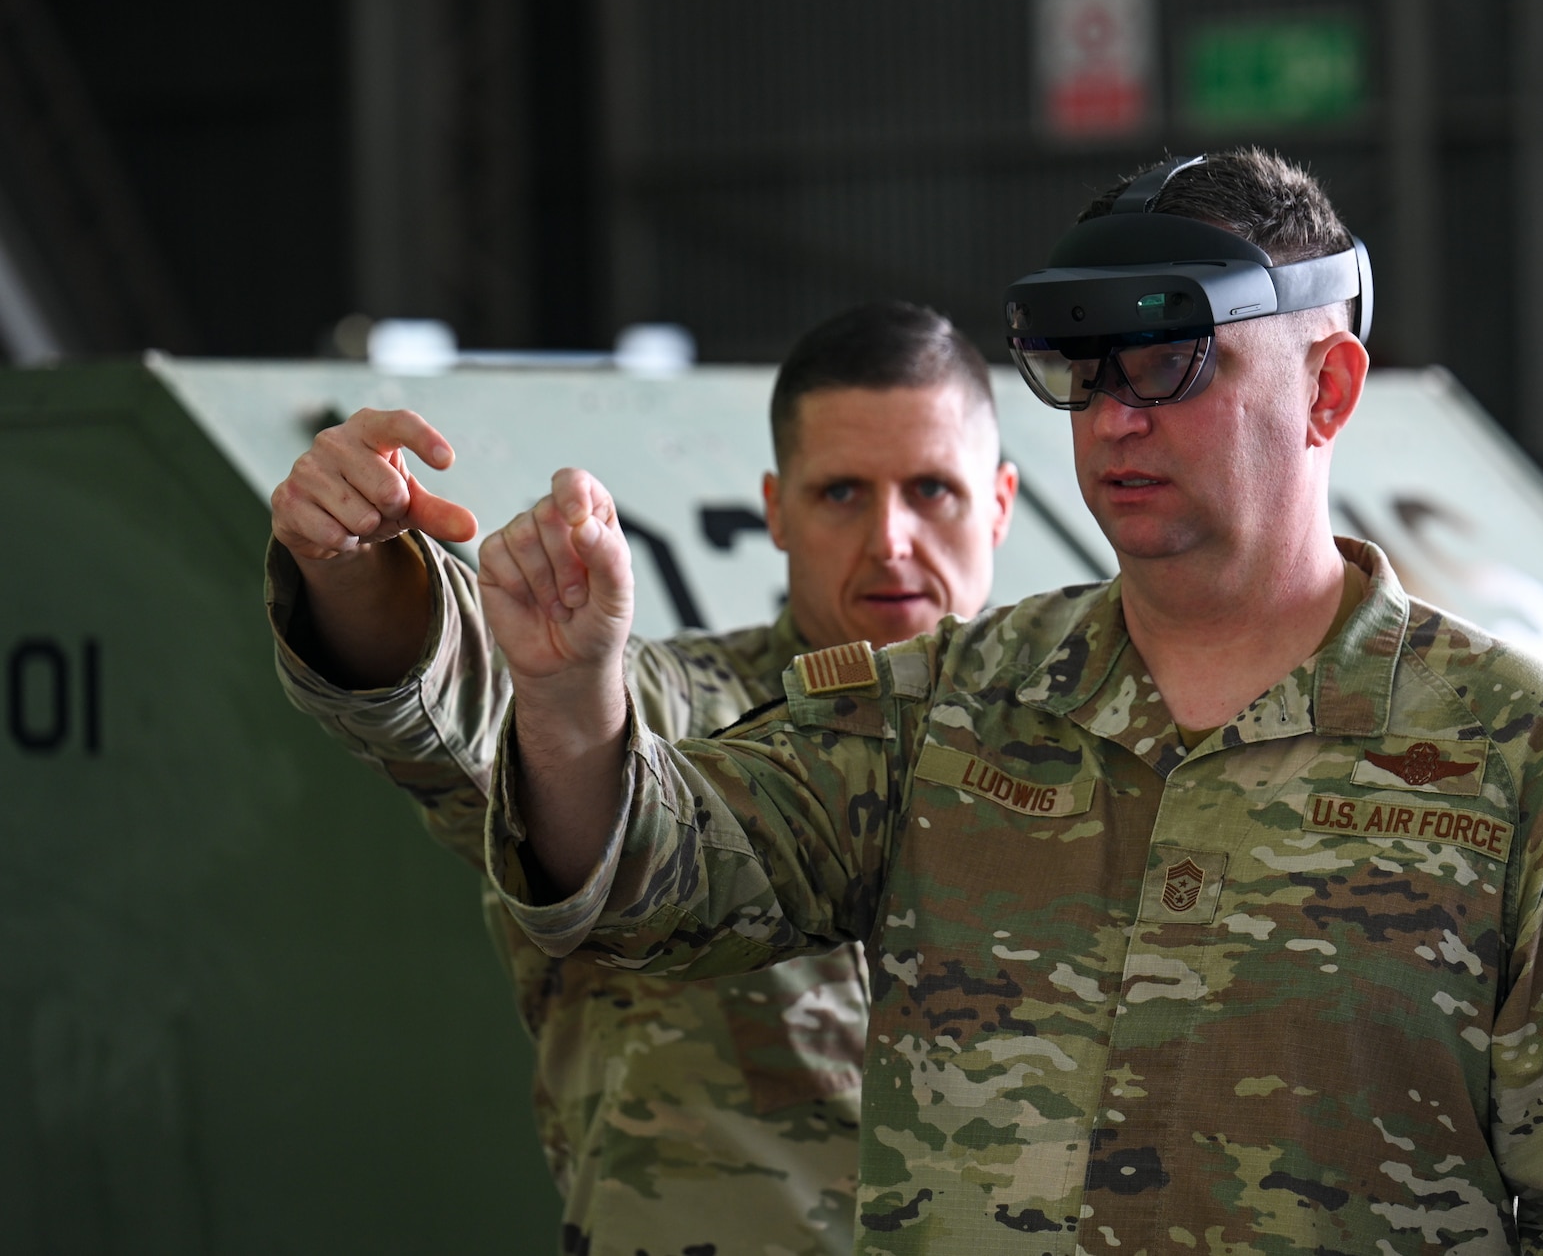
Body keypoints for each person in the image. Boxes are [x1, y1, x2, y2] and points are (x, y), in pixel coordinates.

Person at [485, 149, 1543, 1252]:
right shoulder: (950, 710)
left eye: (1171, 362)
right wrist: (567, 693)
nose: (1118, 416)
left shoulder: (1510, 757)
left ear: (1327, 391)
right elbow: (649, 878)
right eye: (1084, 375)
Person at [266, 301, 1018, 1255]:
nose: (892, 539)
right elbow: (506, 706)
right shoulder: (676, 714)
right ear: (775, 509)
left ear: (998, 501)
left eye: (932, 490)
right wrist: (357, 567)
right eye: (841, 494)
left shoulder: (1079, 740)